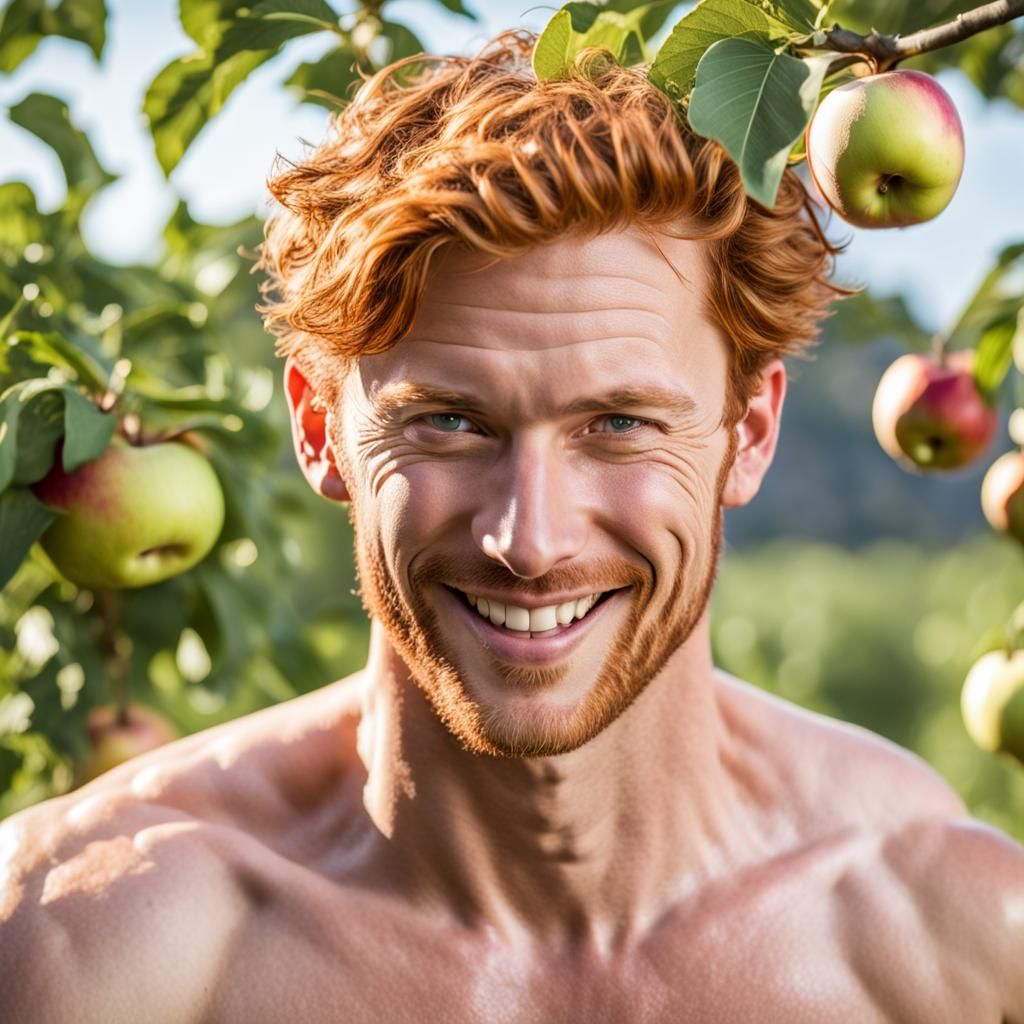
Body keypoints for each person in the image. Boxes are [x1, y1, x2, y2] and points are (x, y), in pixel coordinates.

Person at [3, 29, 1023, 1023]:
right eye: (448, 422)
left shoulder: (952, 940)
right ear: (320, 429)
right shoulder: (82, 942)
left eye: (619, 423)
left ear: (748, 431)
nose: (528, 541)